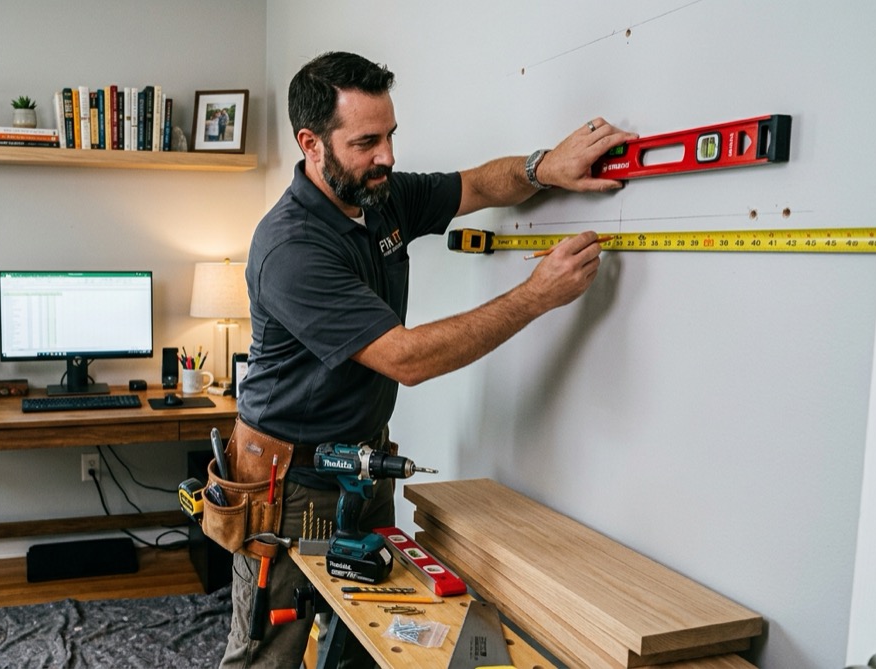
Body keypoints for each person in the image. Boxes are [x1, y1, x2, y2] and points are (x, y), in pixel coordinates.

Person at [218, 51, 636, 668]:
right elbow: (406, 359)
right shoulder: (291, 248)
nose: (386, 154)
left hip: (361, 466)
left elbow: (476, 185)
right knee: (268, 653)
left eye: (390, 135)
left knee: (366, 637)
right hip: (290, 487)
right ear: (311, 143)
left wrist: (545, 166)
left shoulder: (377, 194)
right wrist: (537, 296)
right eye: (366, 141)